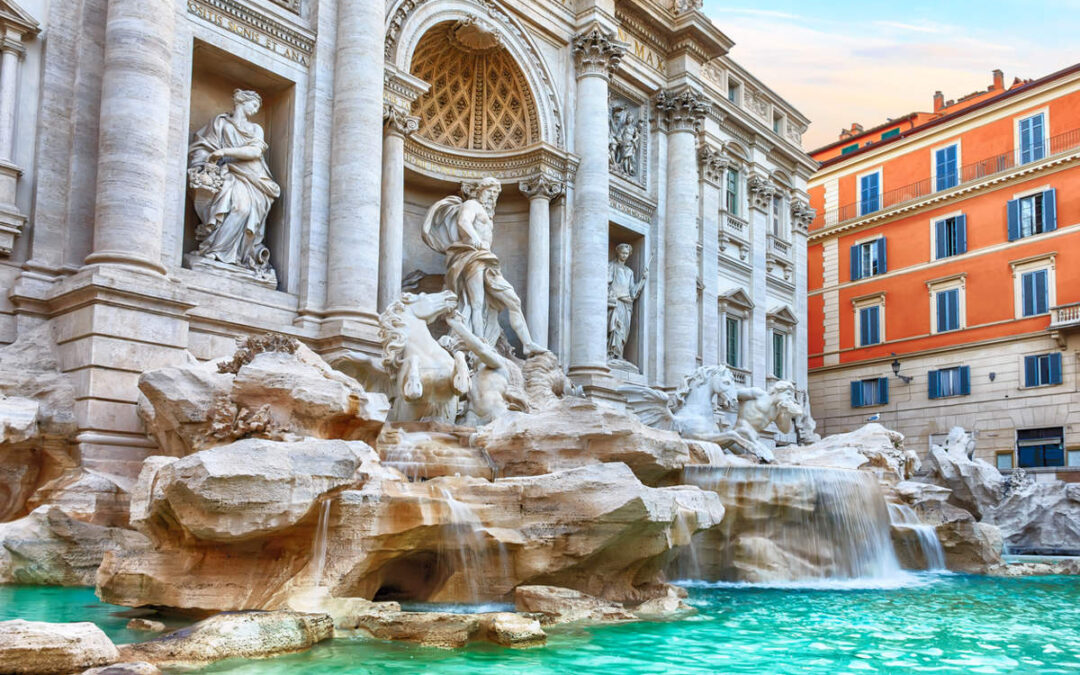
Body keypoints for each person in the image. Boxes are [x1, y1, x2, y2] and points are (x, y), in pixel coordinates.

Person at [421, 177, 544, 355]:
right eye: (489, 191)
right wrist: (476, 239)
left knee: (513, 300)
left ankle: (528, 343)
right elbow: (463, 222)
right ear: (480, 191)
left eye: (495, 193)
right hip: (472, 256)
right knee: (476, 302)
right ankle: (480, 341)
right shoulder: (472, 204)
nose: (492, 195)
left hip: (487, 260)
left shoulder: (488, 213)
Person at [188, 89, 280, 276]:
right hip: (227, 173)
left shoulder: (256, 129)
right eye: (253, 105)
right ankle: (215, 251)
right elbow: (205, 145)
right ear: (241, 101)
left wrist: (224, 152)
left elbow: (255, 152)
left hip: (253, 176)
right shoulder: (220, 123)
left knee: (243, 209)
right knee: (232, 206)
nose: (255, 110)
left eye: (257, 107)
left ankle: (232, 255)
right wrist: (205, 162)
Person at [607, 243, 648, 361]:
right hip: (616, 302)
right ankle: (612, 354)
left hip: (626, 304)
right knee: (616, 328)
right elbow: (605, 283)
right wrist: (611, 296)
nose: (624, 255)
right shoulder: (612, 266)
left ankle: (619, 355)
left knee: (624, 331)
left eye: (626, 253)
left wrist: (643, 279)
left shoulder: (629, 272)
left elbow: (633, 292)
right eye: (622, 253)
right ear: (618, 252)